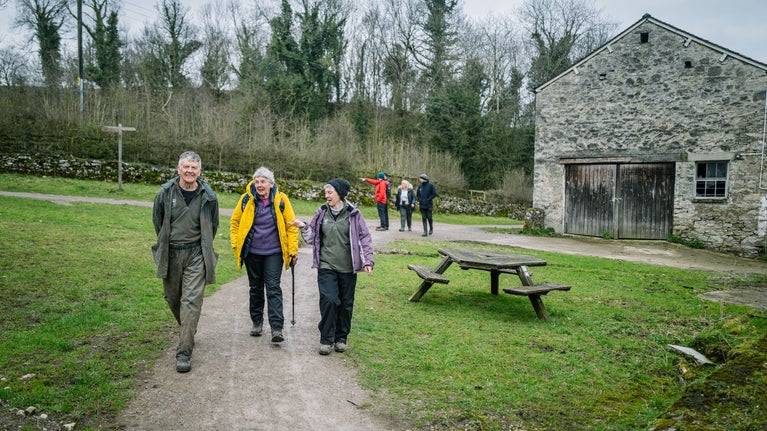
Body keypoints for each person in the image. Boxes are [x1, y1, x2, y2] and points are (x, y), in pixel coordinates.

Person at [152, 151, 219, 373]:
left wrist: (203, 247)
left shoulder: (208, 195)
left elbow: (213, 225)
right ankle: (188, 330)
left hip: (196, 255)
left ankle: (184, 352)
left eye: (194, 168)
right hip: (171, 253)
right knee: (172, 299)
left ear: (200, 171)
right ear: (178, 169)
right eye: (186, 167)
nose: (190, 171)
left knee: (190, 301)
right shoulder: (165, 193)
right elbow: (158, 222)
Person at [290, 179, 374, 356]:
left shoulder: (354, 213)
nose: (326, 195)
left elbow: (364, 238)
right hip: (326, 265)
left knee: (345, 304)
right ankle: (326, 339)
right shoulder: (321, 211)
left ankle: (341, 338)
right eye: (326, 192)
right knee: (329, 300)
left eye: (330, 192)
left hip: (348, 267)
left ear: (340, 194)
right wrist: (303, 227)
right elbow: (311, 238)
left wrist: (368, 261)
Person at [230, 167, 299, 343]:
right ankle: (257, 322)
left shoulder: (281, 200)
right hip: (252, 253)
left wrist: (292, 251)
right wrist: (236, 244)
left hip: (274, 252)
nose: (260, 185)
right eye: (257, 181)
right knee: (255, 288)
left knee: (273, 287)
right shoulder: (246, 200)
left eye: (263, 181)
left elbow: (291, 226)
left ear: (271, 183)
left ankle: (277, 328)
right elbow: (235, 222)